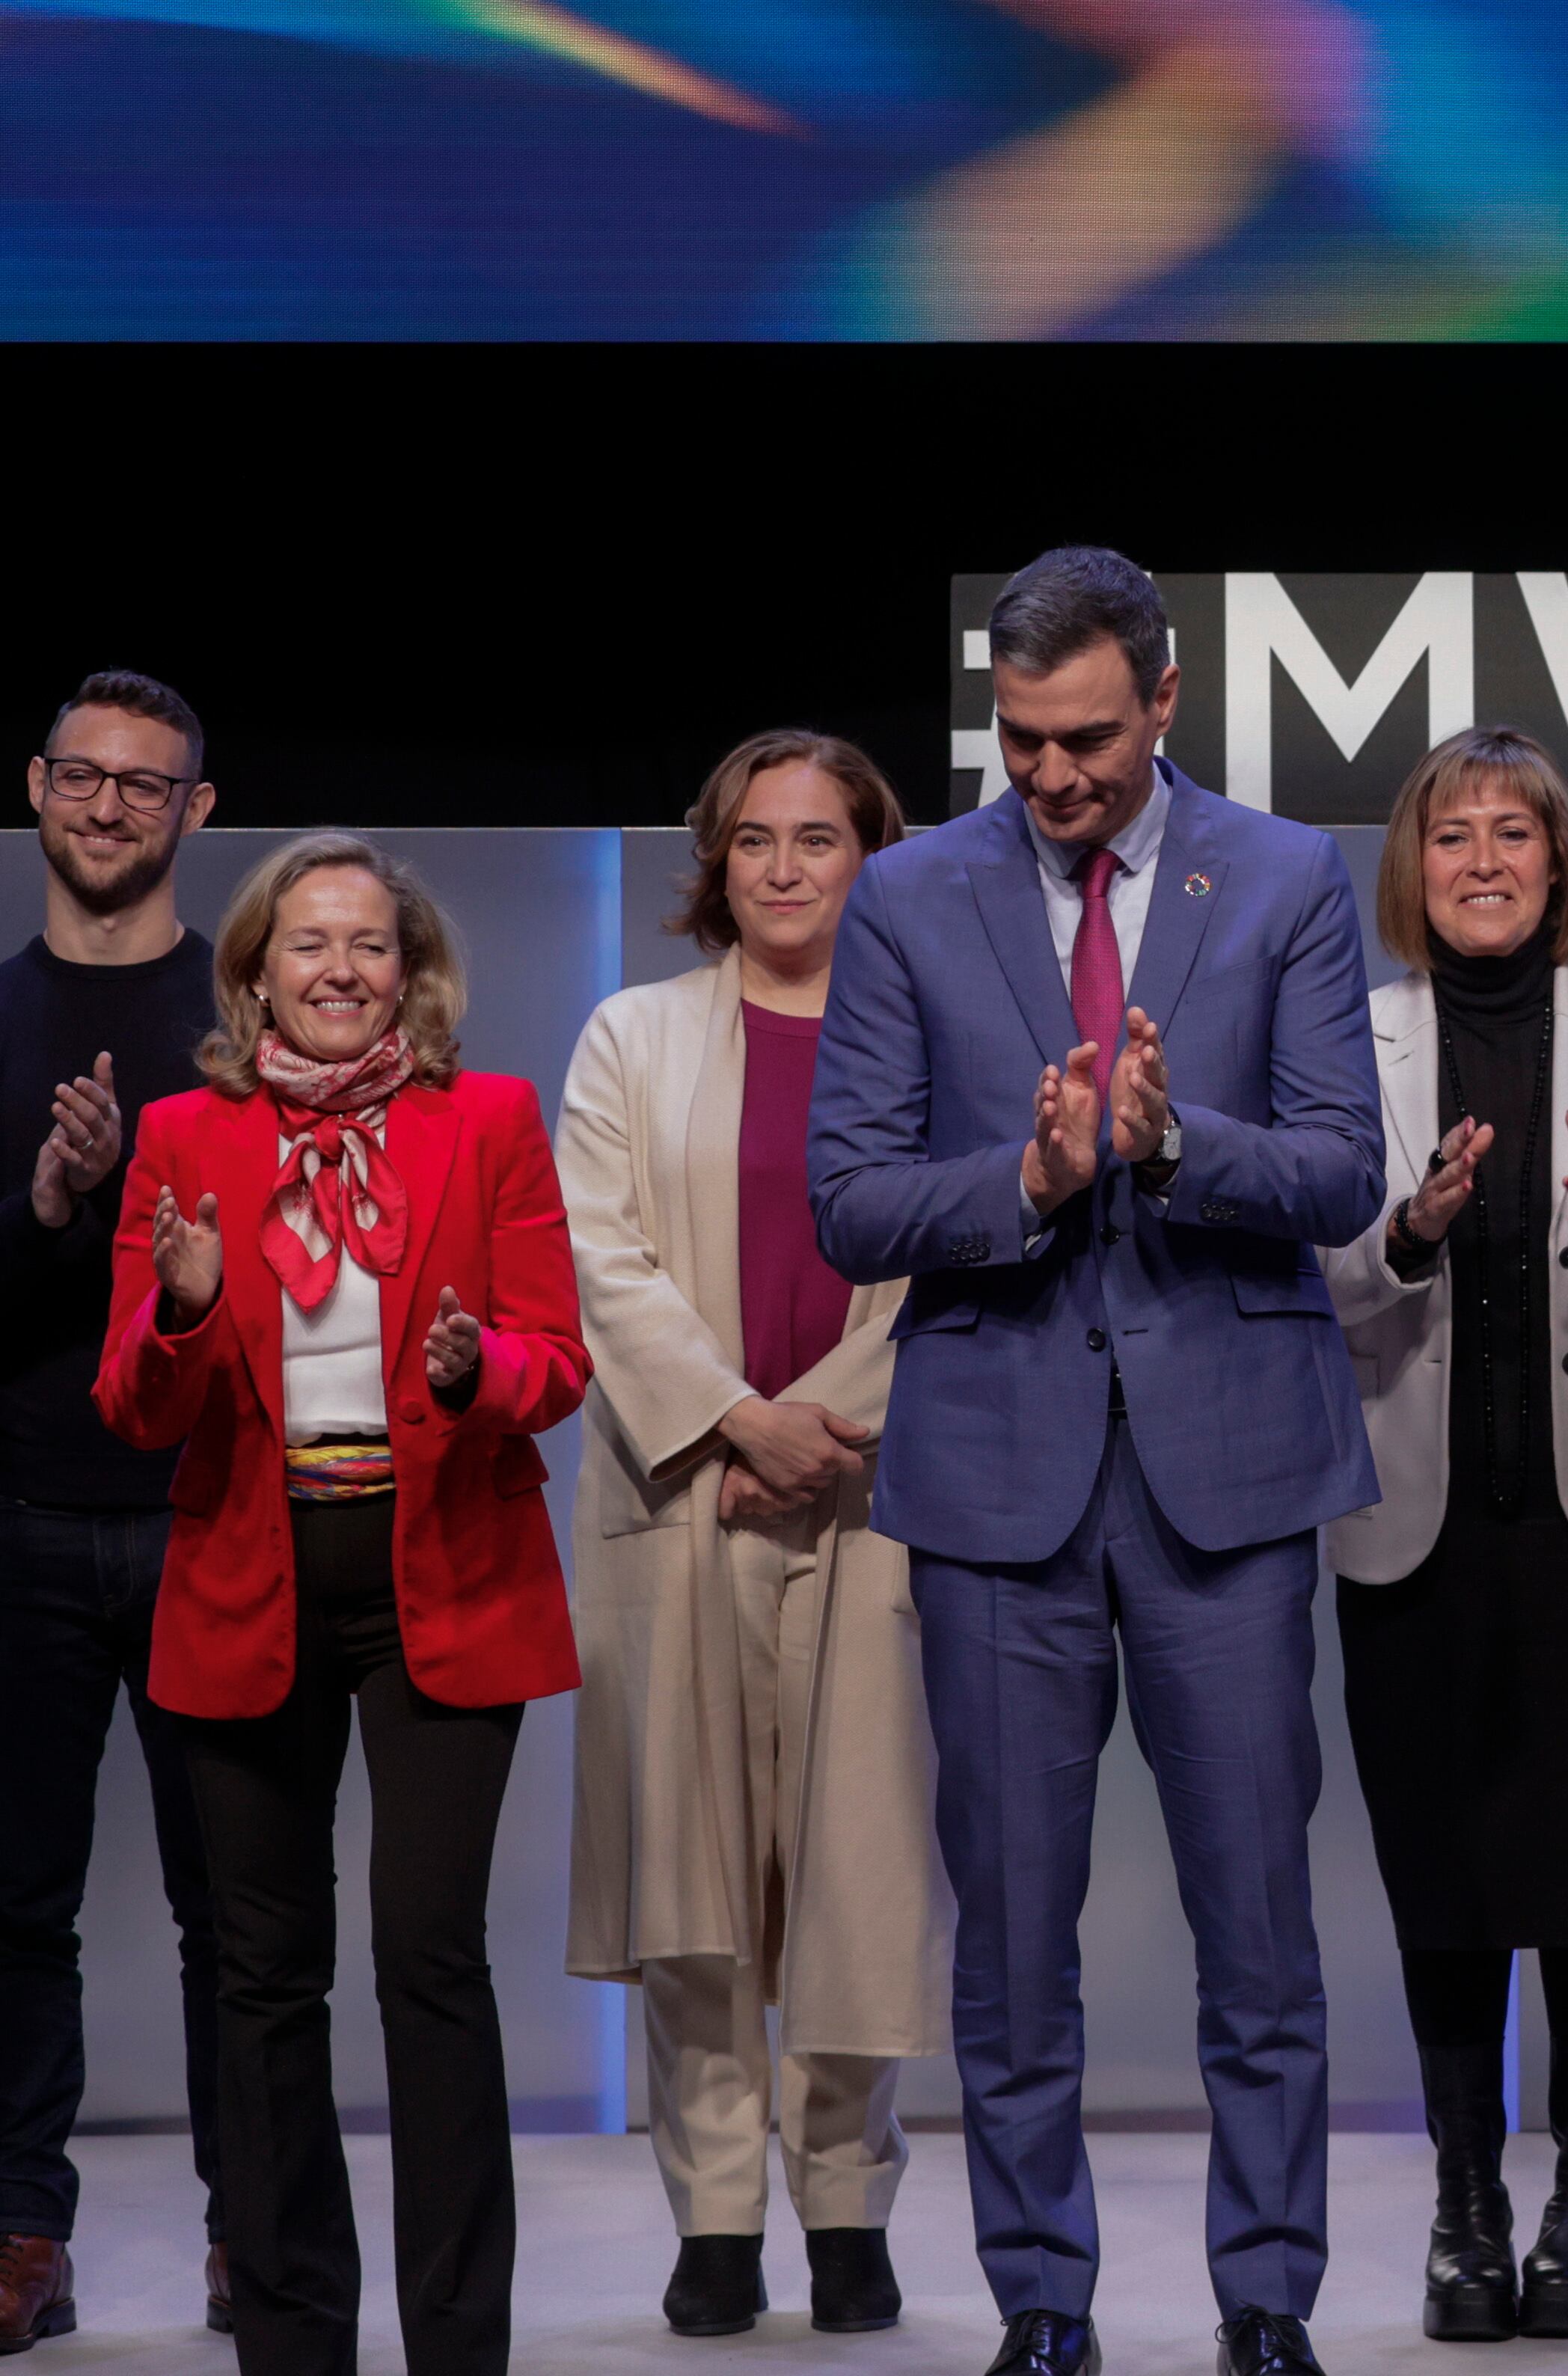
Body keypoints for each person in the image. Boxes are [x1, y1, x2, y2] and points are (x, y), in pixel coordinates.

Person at [810, 547, 1384, 2376]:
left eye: (1088, 739)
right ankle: (1042, 2303)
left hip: (1228, 1471)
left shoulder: (1286, 873)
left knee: (1260, 1932)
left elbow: (1342, 1170)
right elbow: (852, 1197)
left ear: (1165, 696)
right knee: (1012, 1938)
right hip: (995, 1477)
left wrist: (1174, 1140)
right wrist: (1041, 1178)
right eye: (1023, 738)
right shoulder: (909, 894)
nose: (1054, 776)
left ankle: (1269, 2297)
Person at [96, 834, 588, 2376]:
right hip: (250, 1580)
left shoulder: (490, 1120)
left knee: (429, 1957)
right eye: (307, 944)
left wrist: (478, 1371)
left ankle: (457, 2343)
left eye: (369, 945)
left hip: (443, 1565)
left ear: (410, 971)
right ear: (254, 973)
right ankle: (294, 2336)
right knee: (264, 1972)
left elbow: (556, 1358)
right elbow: (133, 1405)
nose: (338, 969)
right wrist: (180, 1309)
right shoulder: (181, 1136)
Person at [558, 731, 943, 2340]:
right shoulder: (632, 1035)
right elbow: (604, 1256)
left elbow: (958, 1248)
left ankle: (848, 2203)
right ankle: (715, 2211)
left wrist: (823, 1419)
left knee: (858, 1873)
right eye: (754, 841)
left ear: (874, 856)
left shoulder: (937, 1038)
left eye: (820, 839)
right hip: (688, 1485)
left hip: (871, 1483)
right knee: (692, 1884)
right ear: (713, 864)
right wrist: (733, 1419)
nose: (784, 868)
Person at [1322, 726, 1568, 2345]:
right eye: (1454, 834)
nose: (1482, 860)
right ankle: (1465, 2206)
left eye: (1514, 835)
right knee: (1447, 1880)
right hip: (1417, 1522)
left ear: (1560, 864)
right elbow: (1298, 1271)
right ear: (1417, 865)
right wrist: (1408, 1228)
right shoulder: (1346, 1036)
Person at [0, 671, 230, 2354]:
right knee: (15, 1905)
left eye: (143, 787)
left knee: (236, 1908)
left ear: (196, 811)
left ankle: (255, 2225)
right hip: (16, 1522)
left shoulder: (246, 1025)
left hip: (212, 1516)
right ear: (34, 788)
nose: (107, 808)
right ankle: (21, 2233)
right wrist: (53, 1207)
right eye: (83, 777)